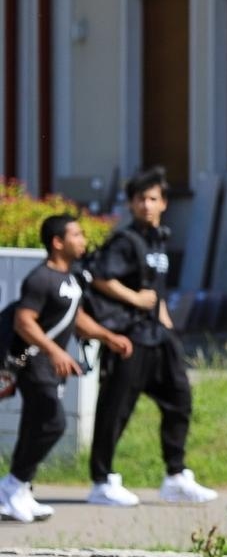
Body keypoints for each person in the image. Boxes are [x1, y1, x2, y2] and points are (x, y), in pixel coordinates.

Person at [84, 167, 217, 506]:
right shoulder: (124, 241)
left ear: (164, 203)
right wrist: (134, 298)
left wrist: (166, 323)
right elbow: (99, 276)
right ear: (131, 204)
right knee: (115, 408)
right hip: (130, 337)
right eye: (140, 199)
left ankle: (176, 476)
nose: (146, 205)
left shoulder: (158, 239)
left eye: (153, 199)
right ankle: (101, 481)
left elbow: (156, 289)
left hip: (158, 335)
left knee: (180, 399)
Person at [0, 215, 133, 522]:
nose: (83, 239)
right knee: (53, 423)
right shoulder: (40, 279)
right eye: (76, 235)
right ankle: (12, 485)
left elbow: (76, 318)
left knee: (34, 425)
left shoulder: (71, 279)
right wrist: (55, 351)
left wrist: (108, 337)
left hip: (47, 363)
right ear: (58, 242)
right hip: (32, 361)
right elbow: (24, 321)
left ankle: (17, 492)